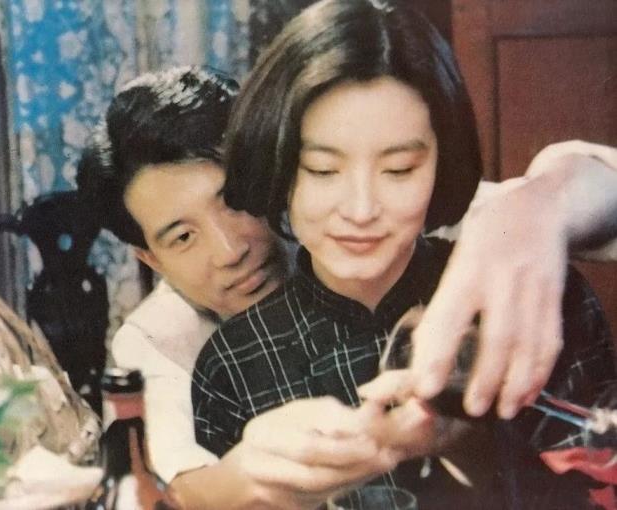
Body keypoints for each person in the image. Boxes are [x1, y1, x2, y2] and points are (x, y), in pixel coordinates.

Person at [79, 66, 617, 509]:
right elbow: (162, 491)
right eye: (182, 237)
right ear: (150, 258)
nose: (229, 251)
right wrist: (246, 479)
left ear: (275, 169)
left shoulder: (379, 217)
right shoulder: (155, 345)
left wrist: (540, 205)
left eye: (234, 201)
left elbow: (583, 187)